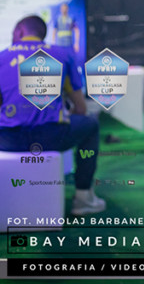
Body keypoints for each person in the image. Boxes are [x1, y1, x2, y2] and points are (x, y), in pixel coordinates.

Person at [0, 15, 105, 215]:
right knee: (91, 124)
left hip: (6, 140)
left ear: (20, 31)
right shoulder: (62, 54)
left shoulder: (2, 56)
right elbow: (81, 108)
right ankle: (83, 197)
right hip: (50, 138)